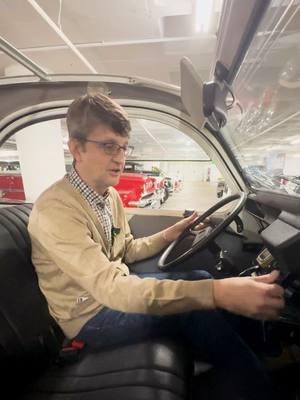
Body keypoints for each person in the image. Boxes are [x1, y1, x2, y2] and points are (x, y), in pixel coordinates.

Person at [28, 93, 284, 399]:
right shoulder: (55, 210)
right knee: (199, 306)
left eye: (124, 147)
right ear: (76, 148)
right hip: (89, 319)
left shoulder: (108, 197)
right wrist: (219, 293)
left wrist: (172, 233)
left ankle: (252, 360)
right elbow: (112, 289)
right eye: (109, 146)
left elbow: (127, 250)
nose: (120, 158)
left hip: (113, 293)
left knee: (202, 279)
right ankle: (261, 389)